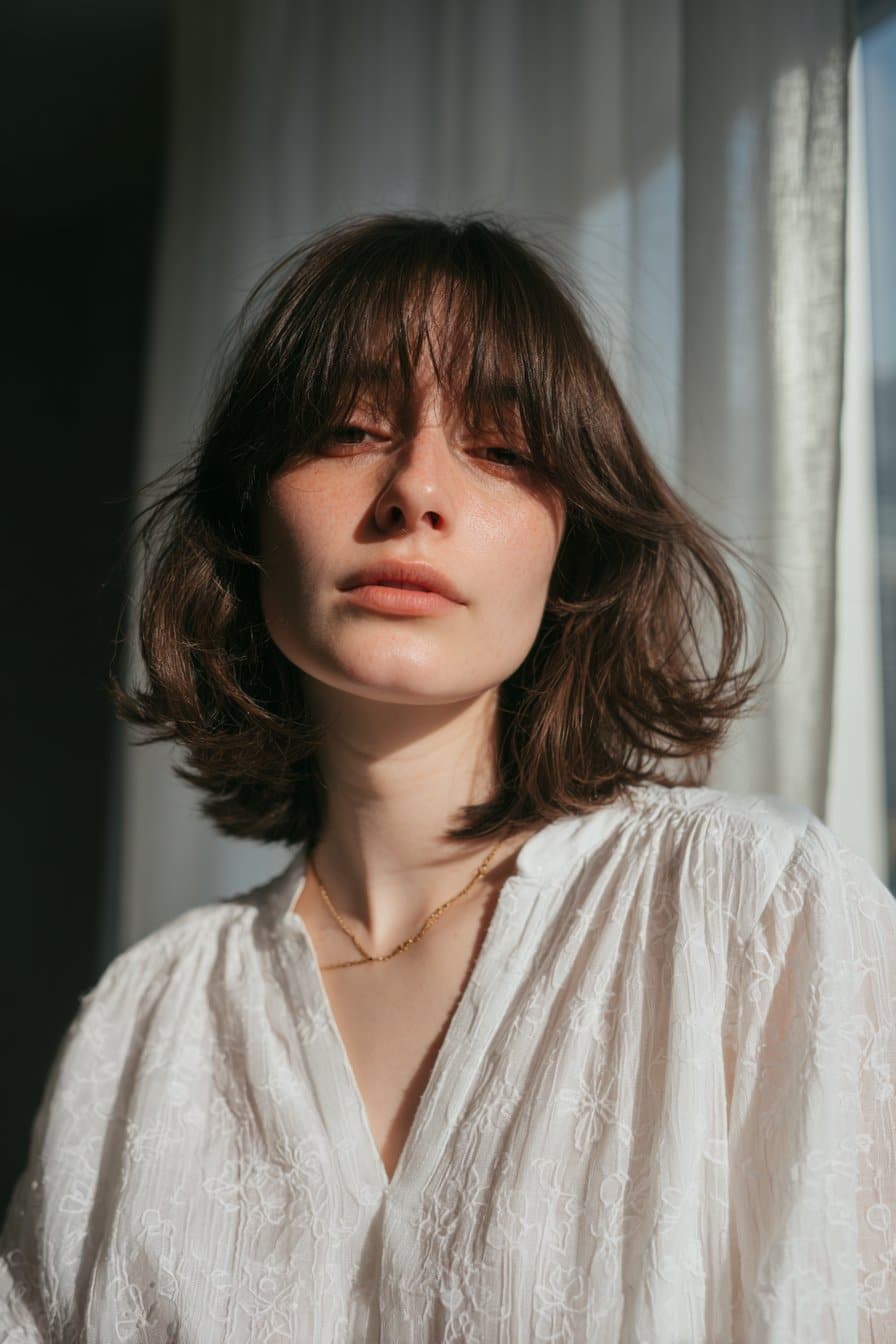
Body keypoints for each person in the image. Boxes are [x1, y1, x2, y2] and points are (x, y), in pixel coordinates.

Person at [1, 214, 894, 1342]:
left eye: (503, 448)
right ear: (247, 520)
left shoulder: (753, 914)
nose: (415, 489)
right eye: (349, 428)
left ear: (571, 543)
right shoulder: (140, 1029)